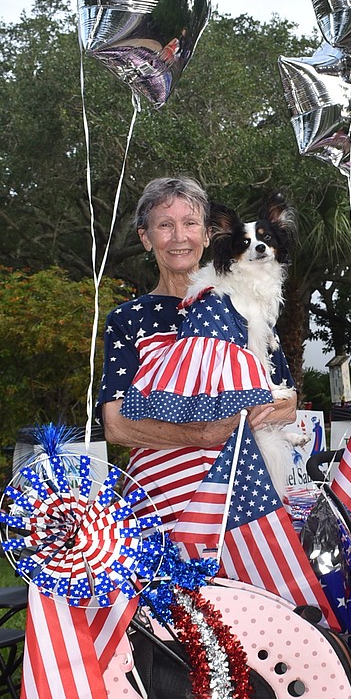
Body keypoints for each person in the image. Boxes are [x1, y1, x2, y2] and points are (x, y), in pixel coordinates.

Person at [98, 176, 296, 524]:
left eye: (190, 223)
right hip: (163, 506)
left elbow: (288, 404)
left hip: (245, 498)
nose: (179, 237)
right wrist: (202, 434)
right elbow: (116, 425)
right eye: (165, 225)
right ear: (145, 238)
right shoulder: (128, 319)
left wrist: (237, 418)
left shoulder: (247, 307)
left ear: (208, 235)